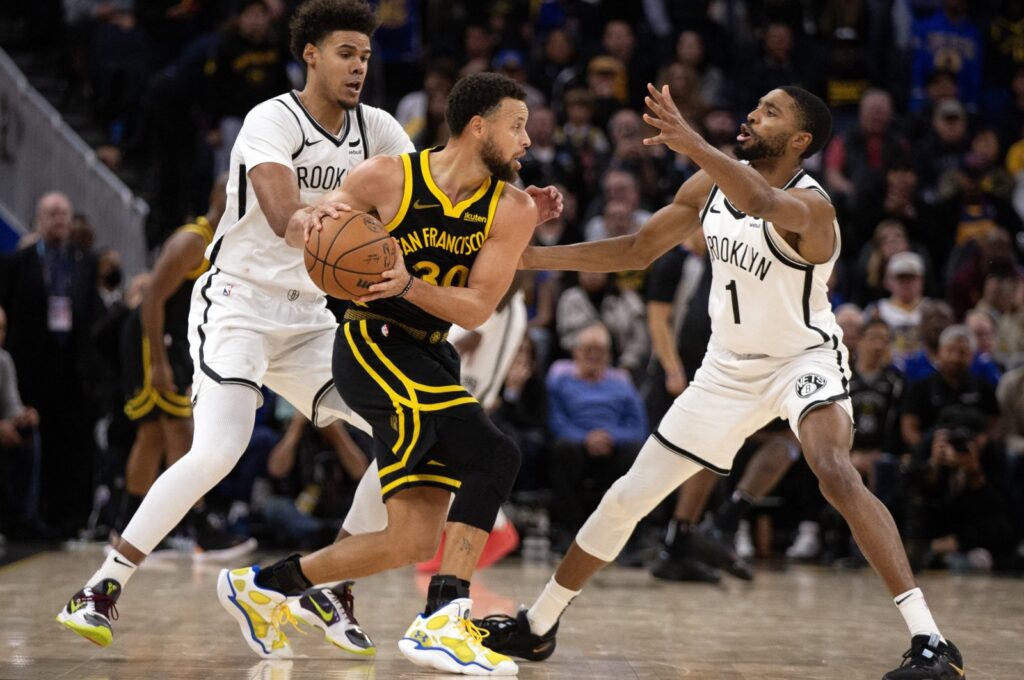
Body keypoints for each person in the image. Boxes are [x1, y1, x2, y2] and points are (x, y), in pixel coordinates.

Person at [475, 84, 964, 679]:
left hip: (801, 360)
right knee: (627, 498)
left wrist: (691, 141)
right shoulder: (707, 186)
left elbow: (758, 200)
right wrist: (527, 258)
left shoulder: (813, 208)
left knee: (832, 468)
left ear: (800, 140)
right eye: (755, 106)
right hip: (726, 369)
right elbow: (635, 249)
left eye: (771, 112)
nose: (754, 114)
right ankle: (539, 625)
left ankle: (931, 642)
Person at [56, 0, 410, 651]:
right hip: (238, 307)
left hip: (309, 319)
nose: (359, 66)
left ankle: (329, 586)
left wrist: (503, 203)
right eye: (345, 53)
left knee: (407, 435)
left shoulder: (380, 131)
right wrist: (340, 220)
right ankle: (102, 586)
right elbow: (282, 213)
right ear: (311, 54)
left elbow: (427, 197)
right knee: (217, 450)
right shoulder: (270, 119)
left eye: (365, 55)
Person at [218, 72, 542, 676]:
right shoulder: (385, 177)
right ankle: (444, 618)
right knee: (495, 456)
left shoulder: (513, 208)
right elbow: (317, 233)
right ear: (478, 127)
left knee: (414, 539)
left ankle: (262, 586)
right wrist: (325, 236)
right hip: (372, 344)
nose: (528, 140)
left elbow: (474, 309)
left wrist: (410, 283)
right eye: (517, 125)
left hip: (432, 353)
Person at [114, 176, 255, 558]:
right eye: (238, 194)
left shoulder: (225, 242)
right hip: (152, 339)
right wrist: (158, 362)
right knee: (180, 432)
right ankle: (197, 525)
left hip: (176, 342)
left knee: (155, 436)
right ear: (216, 196)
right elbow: (151, 299)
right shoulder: (192, 240)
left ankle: (128, 527)